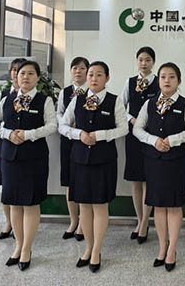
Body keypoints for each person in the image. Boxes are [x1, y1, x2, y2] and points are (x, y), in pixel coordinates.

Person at [0, 61, 57, 271]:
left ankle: (27, 249)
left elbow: (52, 126)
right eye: (22, 73)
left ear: (38, 78)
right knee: (14, 203)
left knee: (30, 203)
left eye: (30, 73)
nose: (25, 77)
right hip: (10, 158)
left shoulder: (44, 100)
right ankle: (18, 246)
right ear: (16, 77)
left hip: (34, 158)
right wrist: (8, 134)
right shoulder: (7, 99)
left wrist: (28, 135)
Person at [60, 61, 128, 272]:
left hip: (104, 160)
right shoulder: (77, 100)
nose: (93, 78)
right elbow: (62, 125)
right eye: (91, 74)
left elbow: (123, 128)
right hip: (79, 159)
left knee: (99, 206)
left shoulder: (114, 101)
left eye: (99, 75)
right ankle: (88, 248)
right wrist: (78, 134)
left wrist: (101, 135)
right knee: (84, 206)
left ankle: (97, 250)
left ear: (107, 78)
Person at [133, 62, 185, 272]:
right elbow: (137, 129)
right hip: (153, 160)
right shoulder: (150, 103)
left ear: (178, 81)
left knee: (173, 205)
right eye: (163, 76)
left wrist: (174, 139)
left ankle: (172, 249)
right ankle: (162, 248)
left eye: (172, 77)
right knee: (158, 205)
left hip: (175, 161)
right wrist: (153, 140)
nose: (167, 80)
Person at [0, 57, 26, 240]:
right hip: (6, 144)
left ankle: (23, 225)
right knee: (6, 186)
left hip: (26, 146)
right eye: (14, 70)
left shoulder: (35, 96)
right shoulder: (3, 96)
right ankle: (9, 222)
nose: (17, 73)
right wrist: (6, 131)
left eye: (21, 70)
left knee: (24, 184)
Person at [121, 46, 159, 243]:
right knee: (136, 180)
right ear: (137, 61)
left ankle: (145, 223)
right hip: (134, 135)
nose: (144, 63)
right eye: (141, 59)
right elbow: (120, 107)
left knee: (148, 179)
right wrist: (131, 119)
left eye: (148, 60)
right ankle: (139, 220)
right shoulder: (129, 82)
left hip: (152, 136)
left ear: (153, 62)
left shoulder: (159, 82)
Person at [56, 56, 90, 240]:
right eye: (75, 68)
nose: (78, 71)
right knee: (69, 181)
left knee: (83, 181)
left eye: (82, 68)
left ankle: (83, 224)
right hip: (68, 140)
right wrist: (67, 124)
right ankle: (73, 220)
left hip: (85, 142)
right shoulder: (65, 92)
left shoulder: (92, 92)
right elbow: (59, 113)